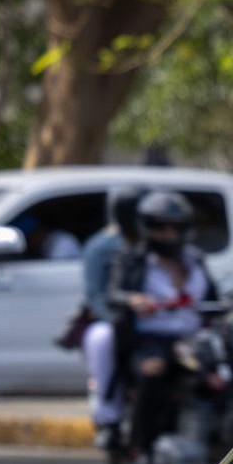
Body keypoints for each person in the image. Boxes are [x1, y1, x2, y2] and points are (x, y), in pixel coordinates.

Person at [109, 191, 213, 463]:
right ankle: (140, 449)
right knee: (153, 372)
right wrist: (133, 299)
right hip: (153, 339)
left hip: (194, 339)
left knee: (229, 371)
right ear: (146, 227)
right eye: (160, 227)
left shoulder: (195, 260)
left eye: (174, 227)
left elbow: (216, 296)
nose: (168, 233)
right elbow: (115, 293)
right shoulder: (134, 259)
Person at [77, 187, 142, 445]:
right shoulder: (100, 247)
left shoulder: (152, 243)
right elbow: (96, 295)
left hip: (151, 319)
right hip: (114, 320)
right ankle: (108, 417)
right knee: (103, 340)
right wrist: (116, 319)